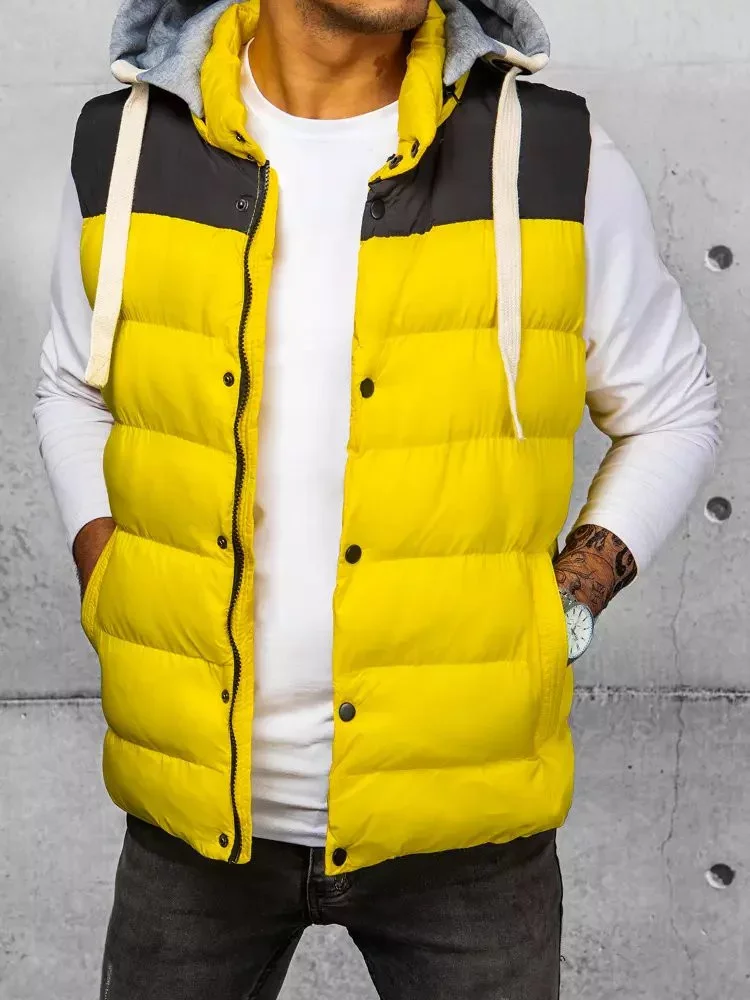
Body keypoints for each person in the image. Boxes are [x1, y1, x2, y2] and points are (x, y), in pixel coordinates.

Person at [34, 0, 720, 997]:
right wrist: (108, 570)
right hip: (191, 817)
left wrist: (565, 608)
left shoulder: (549, 152)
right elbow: (72, 383)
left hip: (470, 827)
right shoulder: (129, 147)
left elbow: (673, 407)